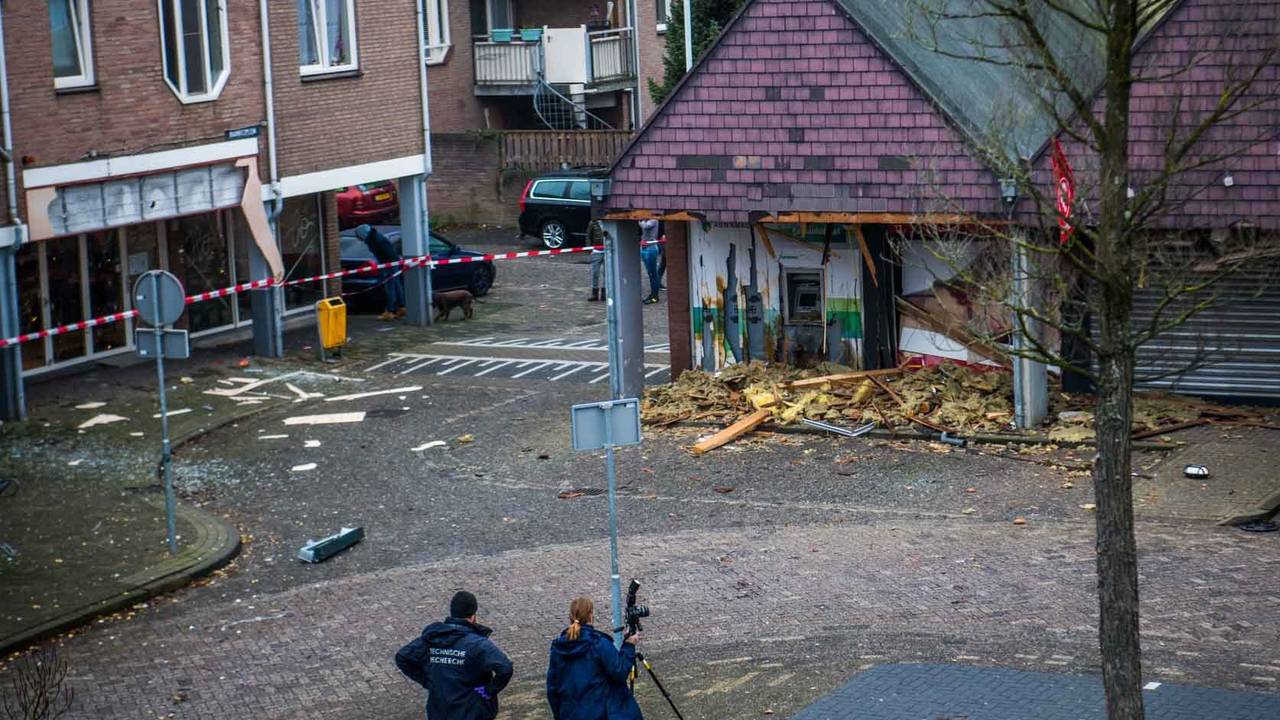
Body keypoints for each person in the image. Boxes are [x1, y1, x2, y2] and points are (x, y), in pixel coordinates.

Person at [395, 590, 514, 720]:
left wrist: (428, 682)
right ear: (473, 616)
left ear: (452, 612)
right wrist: (486, 691)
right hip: (472, 711)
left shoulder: (432, 638)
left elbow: (402, 657)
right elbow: (505, 668)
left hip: (440, 710)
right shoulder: (477, 643)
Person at [546, 597, 643, 720]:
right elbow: (620, 672)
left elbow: (552, 688)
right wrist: (629, 646)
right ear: (591, 615)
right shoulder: (599, 644)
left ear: (570, 618)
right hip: (600, 713)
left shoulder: (558, 648)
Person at [355, 224, 405, 321]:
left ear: (363, 234)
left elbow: (385, 253)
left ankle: (390, 311)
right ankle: (401, 307)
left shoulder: (375, 241)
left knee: (390, 287)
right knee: (396, 285)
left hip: (388, 264)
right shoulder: (375, 237)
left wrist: (384, 264)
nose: (359, 239)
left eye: (358, 236)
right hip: (392, 263)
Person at [639, 219, 661, 305]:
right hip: (644, 247)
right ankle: (652, 294)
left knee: (653, 274)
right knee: (650, 273)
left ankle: (655, 296)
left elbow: (645, 226)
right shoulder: (645, 220)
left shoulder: (653, 220)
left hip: (651, 248)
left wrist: (640, 220)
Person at [588, 220, 606, 302]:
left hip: (607, 251)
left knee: (606, 273)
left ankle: (604, 292)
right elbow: (589, 236)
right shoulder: (593, 223)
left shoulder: (608, 221)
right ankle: (594, 293)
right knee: (595, 272)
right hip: (597, 251)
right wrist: (590, 248)